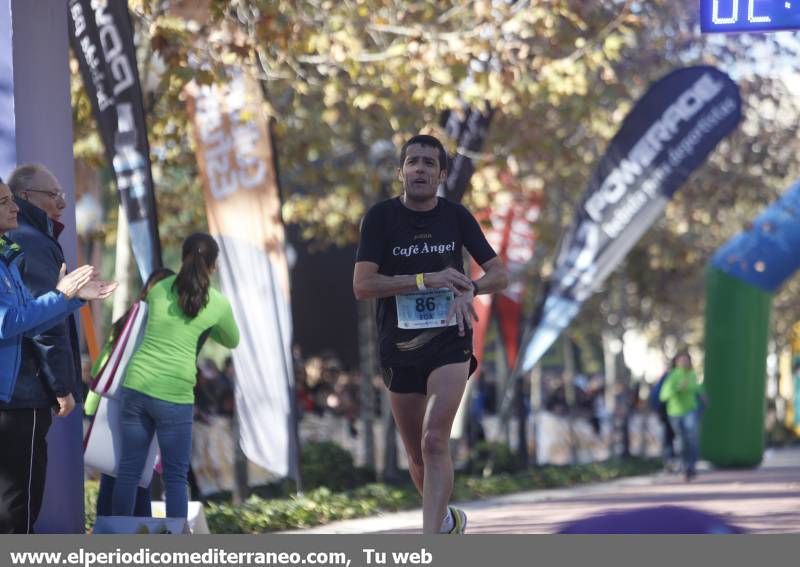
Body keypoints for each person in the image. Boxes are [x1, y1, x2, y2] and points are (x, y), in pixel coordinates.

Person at [353, 134, 509, 534]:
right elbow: (363, 285)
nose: (420, 168)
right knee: (417, 456)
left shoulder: (456, 217)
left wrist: (469, 288)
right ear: (401, 171)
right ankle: (444, 522)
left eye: (428, 163)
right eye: (413, 162)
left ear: (441, 174)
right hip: (399, 344)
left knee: (434, 441)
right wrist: (425, 279)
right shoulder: (380, 218)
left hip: (450, 338)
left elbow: (500, 273)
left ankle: (430, 545)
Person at [0, 177, 116, 533]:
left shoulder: (8, 257)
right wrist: (63, 296)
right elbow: (9, 323)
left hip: (17, 397)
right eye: (5, 202)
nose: (15, 207)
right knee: (17, 508)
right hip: (16, 400)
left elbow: (30, 316)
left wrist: (75, 298)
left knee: (19, 506)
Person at [111, 233, 239, 519]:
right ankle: (176, 546)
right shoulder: (218, 304)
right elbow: (232, 340)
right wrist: (210, 326)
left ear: (182, 258)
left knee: (129, 470)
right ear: (214, 265)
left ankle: (117, 542)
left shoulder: (159, 290)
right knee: (176, 477)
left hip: (138, 385)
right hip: (175, 395)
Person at [87, 267, 175, 518]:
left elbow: (99, 368)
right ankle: (135, 539)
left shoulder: (127, 319)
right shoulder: (160, 325)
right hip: (141, 406)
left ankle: (108, 534)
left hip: (108, 404)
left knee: (114, 475)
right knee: (138, 479)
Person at [659, 351, 706, 481]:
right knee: (681, 440)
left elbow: (698, 389)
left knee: (691, 438)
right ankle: (684, 466)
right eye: (681, 360)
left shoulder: (692, 374)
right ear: (676, 362)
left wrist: (703, 396)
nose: (684, 362)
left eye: (686, 360)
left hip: (690, 410)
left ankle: (691, 467)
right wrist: (677, 389)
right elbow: (663, 396)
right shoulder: (672, 376)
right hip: (674, 413)